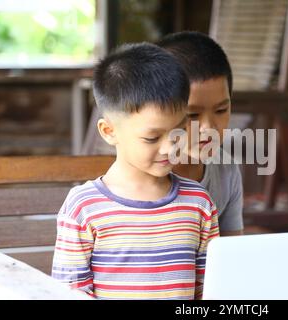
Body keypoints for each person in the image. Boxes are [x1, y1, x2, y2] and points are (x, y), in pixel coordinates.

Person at [51, 42, 219, 300]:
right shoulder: (83, 208)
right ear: (109, 131)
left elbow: (209, 290)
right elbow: (69, 294)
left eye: (178, 130)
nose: (168, 147)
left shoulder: (199, 204)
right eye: (152, 138)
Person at [158, 31, 244, 236]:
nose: (208, 127)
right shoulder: (143, 177)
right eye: (193, 114)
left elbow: (232, 249)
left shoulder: (226, 171)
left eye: (221, 110)